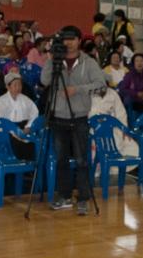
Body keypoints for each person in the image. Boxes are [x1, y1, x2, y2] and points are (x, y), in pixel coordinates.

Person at [39, 26, 101, 215]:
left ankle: (83, 198)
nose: (68, 42)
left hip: (79, 117)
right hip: (58, 116)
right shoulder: (56, 60)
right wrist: (51, 60)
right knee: (61, 160)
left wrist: (78, 89)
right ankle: (64, 196)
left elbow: (100, 83)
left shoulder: (87, 62)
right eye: (65, 39)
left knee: (82, 160)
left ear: (79, 41)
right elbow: (44, 80)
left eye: (72, 39)